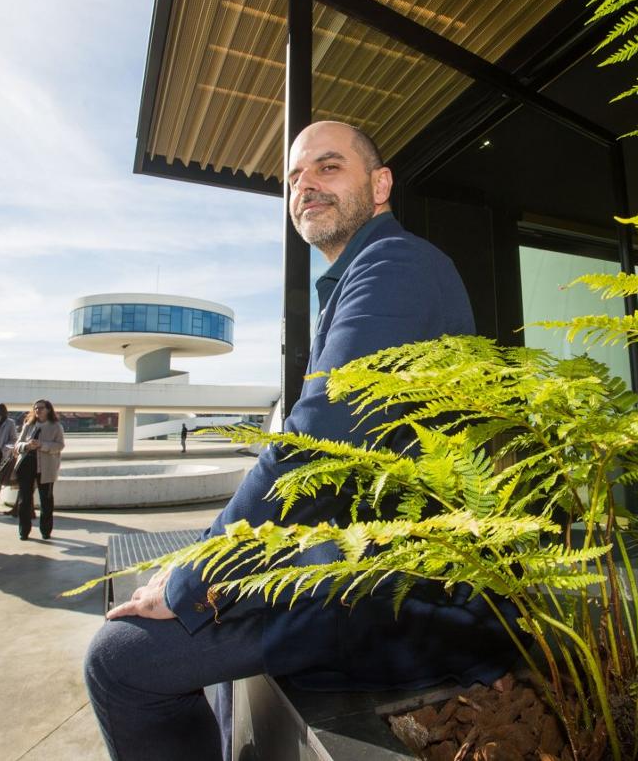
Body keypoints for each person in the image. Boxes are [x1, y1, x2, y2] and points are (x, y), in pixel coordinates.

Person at [84, 122, 517, 761]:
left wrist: (195, 576)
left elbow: (317, 439)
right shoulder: (358, 278)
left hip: (402, 594)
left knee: (121, 658)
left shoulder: (397, 264)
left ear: (380, 184)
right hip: (359, 563)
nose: (305, 185)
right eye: (294, 177)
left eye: (328, 167)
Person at [13, 399, 65, 541]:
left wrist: (42, 445)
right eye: (36, 408)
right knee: (24, 500)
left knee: (46, 500)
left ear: (48, 409)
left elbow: (60, 446)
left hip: (46, 468)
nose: (38, 410)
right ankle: (24, 531)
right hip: (26, 465)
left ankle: (46, 531)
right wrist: (27, 445)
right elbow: (17, 445)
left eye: (41, 408)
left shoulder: (56, 426)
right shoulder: (28, 425)